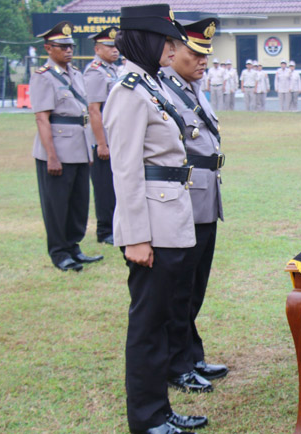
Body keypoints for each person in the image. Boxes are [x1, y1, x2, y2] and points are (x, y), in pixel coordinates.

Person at [103, 5, 209, 433]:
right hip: (151, 227)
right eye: (166, 40)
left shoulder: (149, 85)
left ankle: (161, 412)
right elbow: (125, 171)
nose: (173, 47)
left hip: (171, 218)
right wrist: (135, 238)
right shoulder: (128, 91)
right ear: (145, 40)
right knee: (147, 328)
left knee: (163, 320)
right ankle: (147, 419)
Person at [159, 15, 230, 395]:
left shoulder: (192, 90)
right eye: (195, 53)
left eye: (206, 55)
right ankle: (178, 364)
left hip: (205, 197)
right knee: (180, 289)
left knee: (195, 286)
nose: (203, 61)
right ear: (172, 53)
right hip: (183, 199)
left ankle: (192, 353)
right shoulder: (165, 91)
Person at [30, 21, 102, 272]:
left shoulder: (77, 74)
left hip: (79, 149)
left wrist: (89, 148)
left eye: (70, 46)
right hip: (58, 150)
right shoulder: (43, 77)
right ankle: (59, 252)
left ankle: (73, 246)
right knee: (57, 204)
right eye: (62, 47)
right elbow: (42, 118)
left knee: (78, 203)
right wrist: (51, 156)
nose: (68, 51)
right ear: (49, 48)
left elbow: (83, 115)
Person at [83, 26, 120, 246]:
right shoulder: (95, 71)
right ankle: (105, 230)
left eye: (116, 46)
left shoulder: (112, 70)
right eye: (109, 46)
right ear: (97, 48)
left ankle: (114, 225)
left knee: (116, 183)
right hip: (102, 139)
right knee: (104, 185)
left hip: (114, 137)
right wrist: (101, 143)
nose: (114, 50)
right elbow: (94, 109)